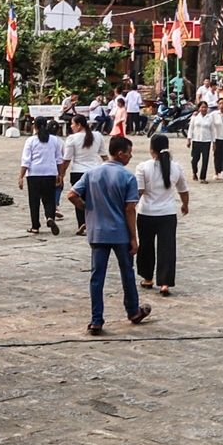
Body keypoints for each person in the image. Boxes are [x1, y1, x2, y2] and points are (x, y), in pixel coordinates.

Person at [67, 135, 151, 333]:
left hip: (97, 232)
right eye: (129, 153)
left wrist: (88, 210)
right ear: (121, 154)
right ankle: (132, 310)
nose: (130, 157)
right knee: (127, 273)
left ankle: (97, 319)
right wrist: (133, 237)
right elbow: (130, 209)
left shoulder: (92, 173)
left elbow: (72, 195)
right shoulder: (128, 177)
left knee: (97, 277)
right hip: (120, 232)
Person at [135, 134, 188, 296]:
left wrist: (130, 207)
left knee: (146, 245)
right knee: (167, 248)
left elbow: (139, 191)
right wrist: (185, 204)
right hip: (168, 213)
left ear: (152, 150)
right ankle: (165, 282)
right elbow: (183, 190)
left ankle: (148, 277)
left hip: (146, 213)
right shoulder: (176, 167)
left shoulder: (143, 167)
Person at [17, 116, 67, 235]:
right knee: (49, 199)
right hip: (50, 172)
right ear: (46, 126)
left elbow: (26, 161)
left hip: (34, 173)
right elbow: (59, 159)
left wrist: (21, 176)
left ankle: (35, 226)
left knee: (34, 200)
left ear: (34, 127)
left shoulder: (31, 141)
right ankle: (50, 217)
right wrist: (60, 174)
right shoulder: (54, 140)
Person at [65, 114, 108, 236]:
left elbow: (67, 159)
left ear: (78, 125)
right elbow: (104, 155)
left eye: (72, 124)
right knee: (93, 199)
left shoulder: (72, 139)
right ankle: (93, 222)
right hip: (95, 171)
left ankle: (82, 223)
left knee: (78, 199)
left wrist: (61, 173)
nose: (71, 127)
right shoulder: (98, 136)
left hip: (78, 172)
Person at [186, 100, 219, 182]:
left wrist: (214, 142)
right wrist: (189, 139)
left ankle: (202, 177)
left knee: (205, 160)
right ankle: (194, 172)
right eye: (202, 107)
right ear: (199, 108)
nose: (204, 109)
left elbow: (212, 130)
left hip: (206, 141)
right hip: (196, 140)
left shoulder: (210, 118)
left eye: (205, 107)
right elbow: (191, 129)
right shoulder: (195, 117)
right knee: (195, 159)